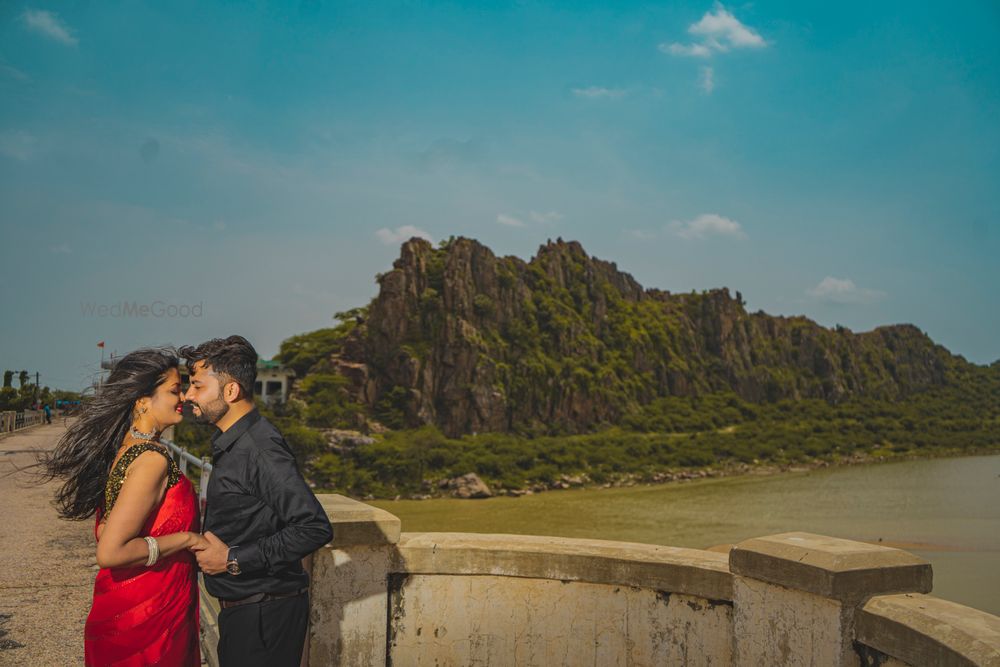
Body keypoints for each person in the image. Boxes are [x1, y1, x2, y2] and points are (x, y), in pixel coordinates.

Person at [42, 348, 203, 666]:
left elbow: (106, 527)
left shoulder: (127, 449)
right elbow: (111, 551)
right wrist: (190, 540)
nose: (182, 396)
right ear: (143, 400)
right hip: (147, 618)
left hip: (131, 606)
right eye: (174, 390)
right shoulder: (151, 460)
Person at [180, 335, 333, 667]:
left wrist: (233, 558)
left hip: (264, 614)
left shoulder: (260, 449)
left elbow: (314, 527)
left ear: (231, 391)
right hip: (249, 612)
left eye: (197, 386)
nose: (188, 395)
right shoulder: (235, 444)